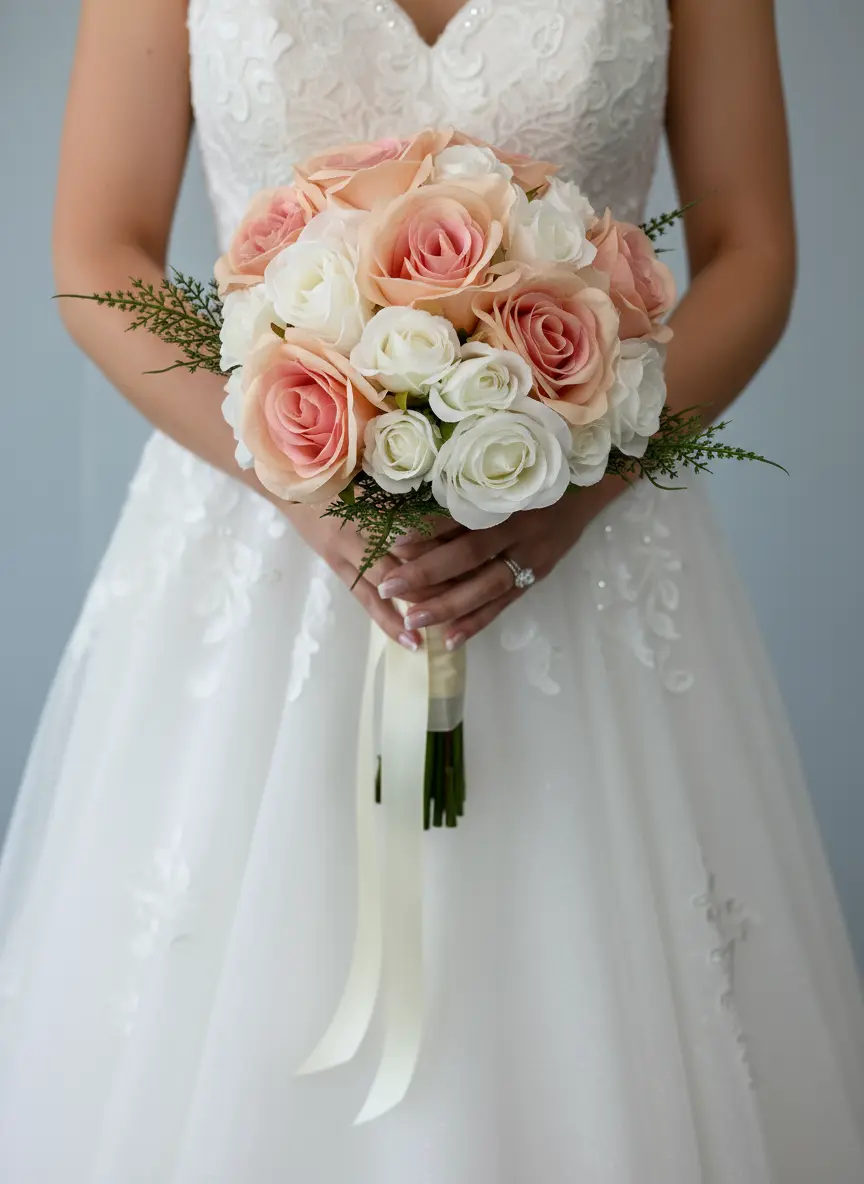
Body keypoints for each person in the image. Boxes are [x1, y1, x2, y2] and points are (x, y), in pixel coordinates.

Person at [0, 1, 862, 1180]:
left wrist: (583, 485)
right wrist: (305, 483)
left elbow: (754, 248)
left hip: (586, 549)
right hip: (258, 539)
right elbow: (99, 252)